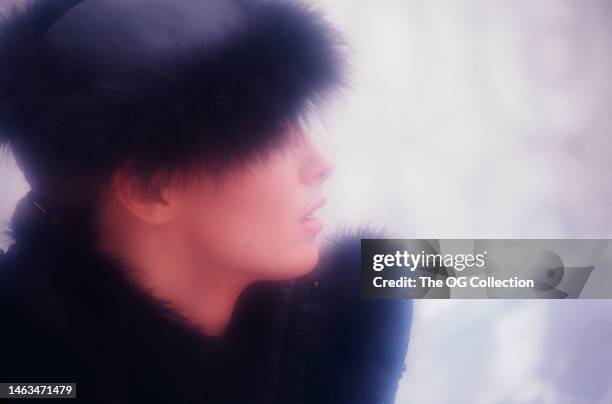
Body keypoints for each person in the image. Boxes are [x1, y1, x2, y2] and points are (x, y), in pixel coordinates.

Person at [0, 0, 412, 402]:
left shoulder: (364, 287)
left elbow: (465, 271)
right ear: (150, 188)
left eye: (296, 121)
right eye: (266, 134)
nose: (321, 163)